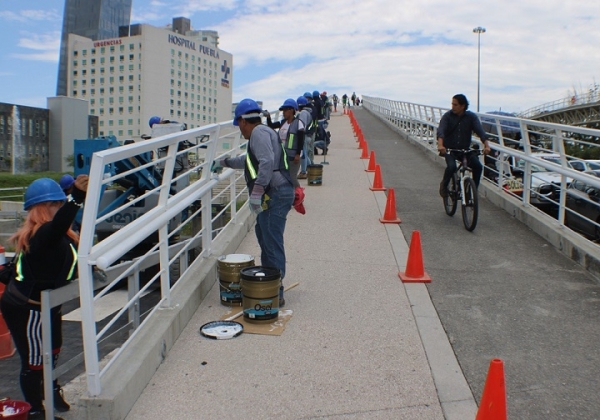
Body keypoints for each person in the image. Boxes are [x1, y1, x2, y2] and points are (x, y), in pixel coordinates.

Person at [0, 175, 88, 420]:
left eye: (61, 203)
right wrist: (76, 198)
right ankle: (36, 411)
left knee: (54, 350)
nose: (59, 208)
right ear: (41, 208)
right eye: (55, 204)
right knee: (35, 359)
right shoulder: (42, 235)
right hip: (26, 307)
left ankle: (52, 391)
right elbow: (58, 225)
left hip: (49, 301)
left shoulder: (59, 235)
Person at [213, 98, 294, 305]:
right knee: (264, 233)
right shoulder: (263, 133)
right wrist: (225, 162)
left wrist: (257, 192)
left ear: (242, 121)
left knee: (271, 239)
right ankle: (271, 282)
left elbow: (266, 161)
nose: (240, 130)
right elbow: (249, 160)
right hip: (278, 191)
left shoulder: (258, 133)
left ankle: (275, 291)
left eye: (239, 125)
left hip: (275, 192)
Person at [437, 94, 491, 197]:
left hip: (464, 150)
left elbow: (480, 132)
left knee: (478, 167)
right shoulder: (447, 116)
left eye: (455, 105)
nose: (452, 107)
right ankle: (444, 184)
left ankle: (472, 192)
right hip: (450, 150)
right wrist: (441, 145)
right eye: (452, 104)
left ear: (463, 106)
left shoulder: (471, 117)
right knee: (452, 167)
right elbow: (441, 131)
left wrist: (487, 146)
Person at [264, 98, 305, 190]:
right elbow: (271, 126)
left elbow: (301, 140)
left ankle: (299, 196)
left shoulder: (299, 123)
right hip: (283, 155)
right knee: (285, 177)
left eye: (285, 110)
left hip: (293, 156)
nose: (283, 112)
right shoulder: (283, 122)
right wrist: (268, 117)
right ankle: (291, 197)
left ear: (291, 110)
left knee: (292, 177)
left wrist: (298, 154)